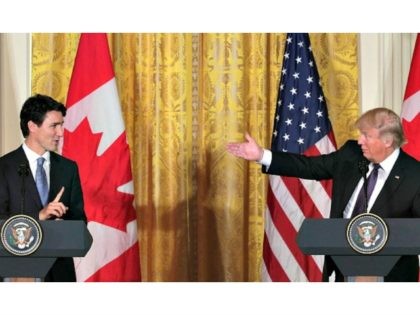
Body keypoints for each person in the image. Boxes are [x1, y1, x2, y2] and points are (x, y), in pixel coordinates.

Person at [226, 107, 420, 282]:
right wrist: (262, 155)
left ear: (387, 141)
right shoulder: (351, 154)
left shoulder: (414, 175)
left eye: (366, 135)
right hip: (343, 268)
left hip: (392, 277)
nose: (359, 140)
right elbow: (309, 167)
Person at [0, 94, 86, 282]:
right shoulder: (4, 167)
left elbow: (80, 221)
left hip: (59, 273)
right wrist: (38, 217)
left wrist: (64, 229)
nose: (61, 132)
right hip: (18, 273)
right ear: (32, 126)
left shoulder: (68, 168)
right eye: (54, 126)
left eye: (61, 125)